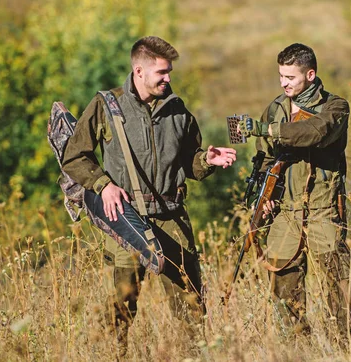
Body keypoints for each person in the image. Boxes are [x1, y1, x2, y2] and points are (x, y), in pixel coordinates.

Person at [61, 36, 237, 356]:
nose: (168, 78)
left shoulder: (178, 111)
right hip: (125, 219)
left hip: (171, 217)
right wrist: (103, 184)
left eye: (169, 72)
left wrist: (207, 161)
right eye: (162, 73)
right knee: (120, 304)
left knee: (191, 304)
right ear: (139, 71)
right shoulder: (106, 106)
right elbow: (74, 158)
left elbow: (189, 165)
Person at [239, 43, 351, 338]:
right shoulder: (276, 107)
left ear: (310, 74)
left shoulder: (335, 106)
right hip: (286, 213)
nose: (283, 83)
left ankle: (350, 347)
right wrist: (264, 198)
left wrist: (267, 129)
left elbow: (314, 133)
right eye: (281, 76)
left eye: (290, 77)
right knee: (284, 288)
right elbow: (265, 157)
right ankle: (296, 350)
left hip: (323, 211)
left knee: (342, 284)